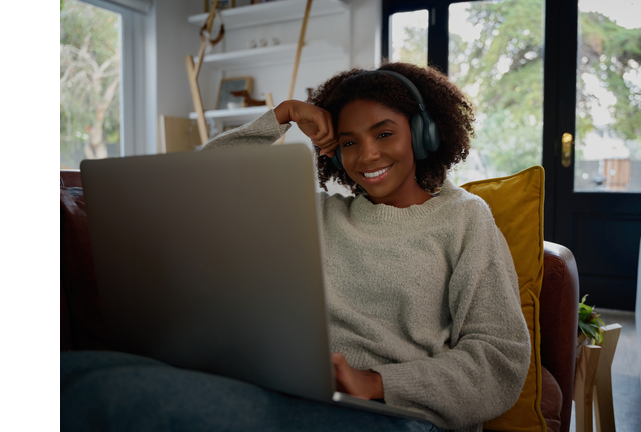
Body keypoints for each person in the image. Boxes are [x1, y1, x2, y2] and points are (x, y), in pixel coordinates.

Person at [60, 62, 531, 432]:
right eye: (349, 142)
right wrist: (280, 116)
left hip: (397, 417)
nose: (366, 155)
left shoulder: (464, 216)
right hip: (293, 392)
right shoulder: (321, 213)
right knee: (74, 374)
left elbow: (499, 357)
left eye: (384, 133)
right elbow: (196, 191)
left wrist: (379, 383)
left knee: (113, 399)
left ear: (425, 133)